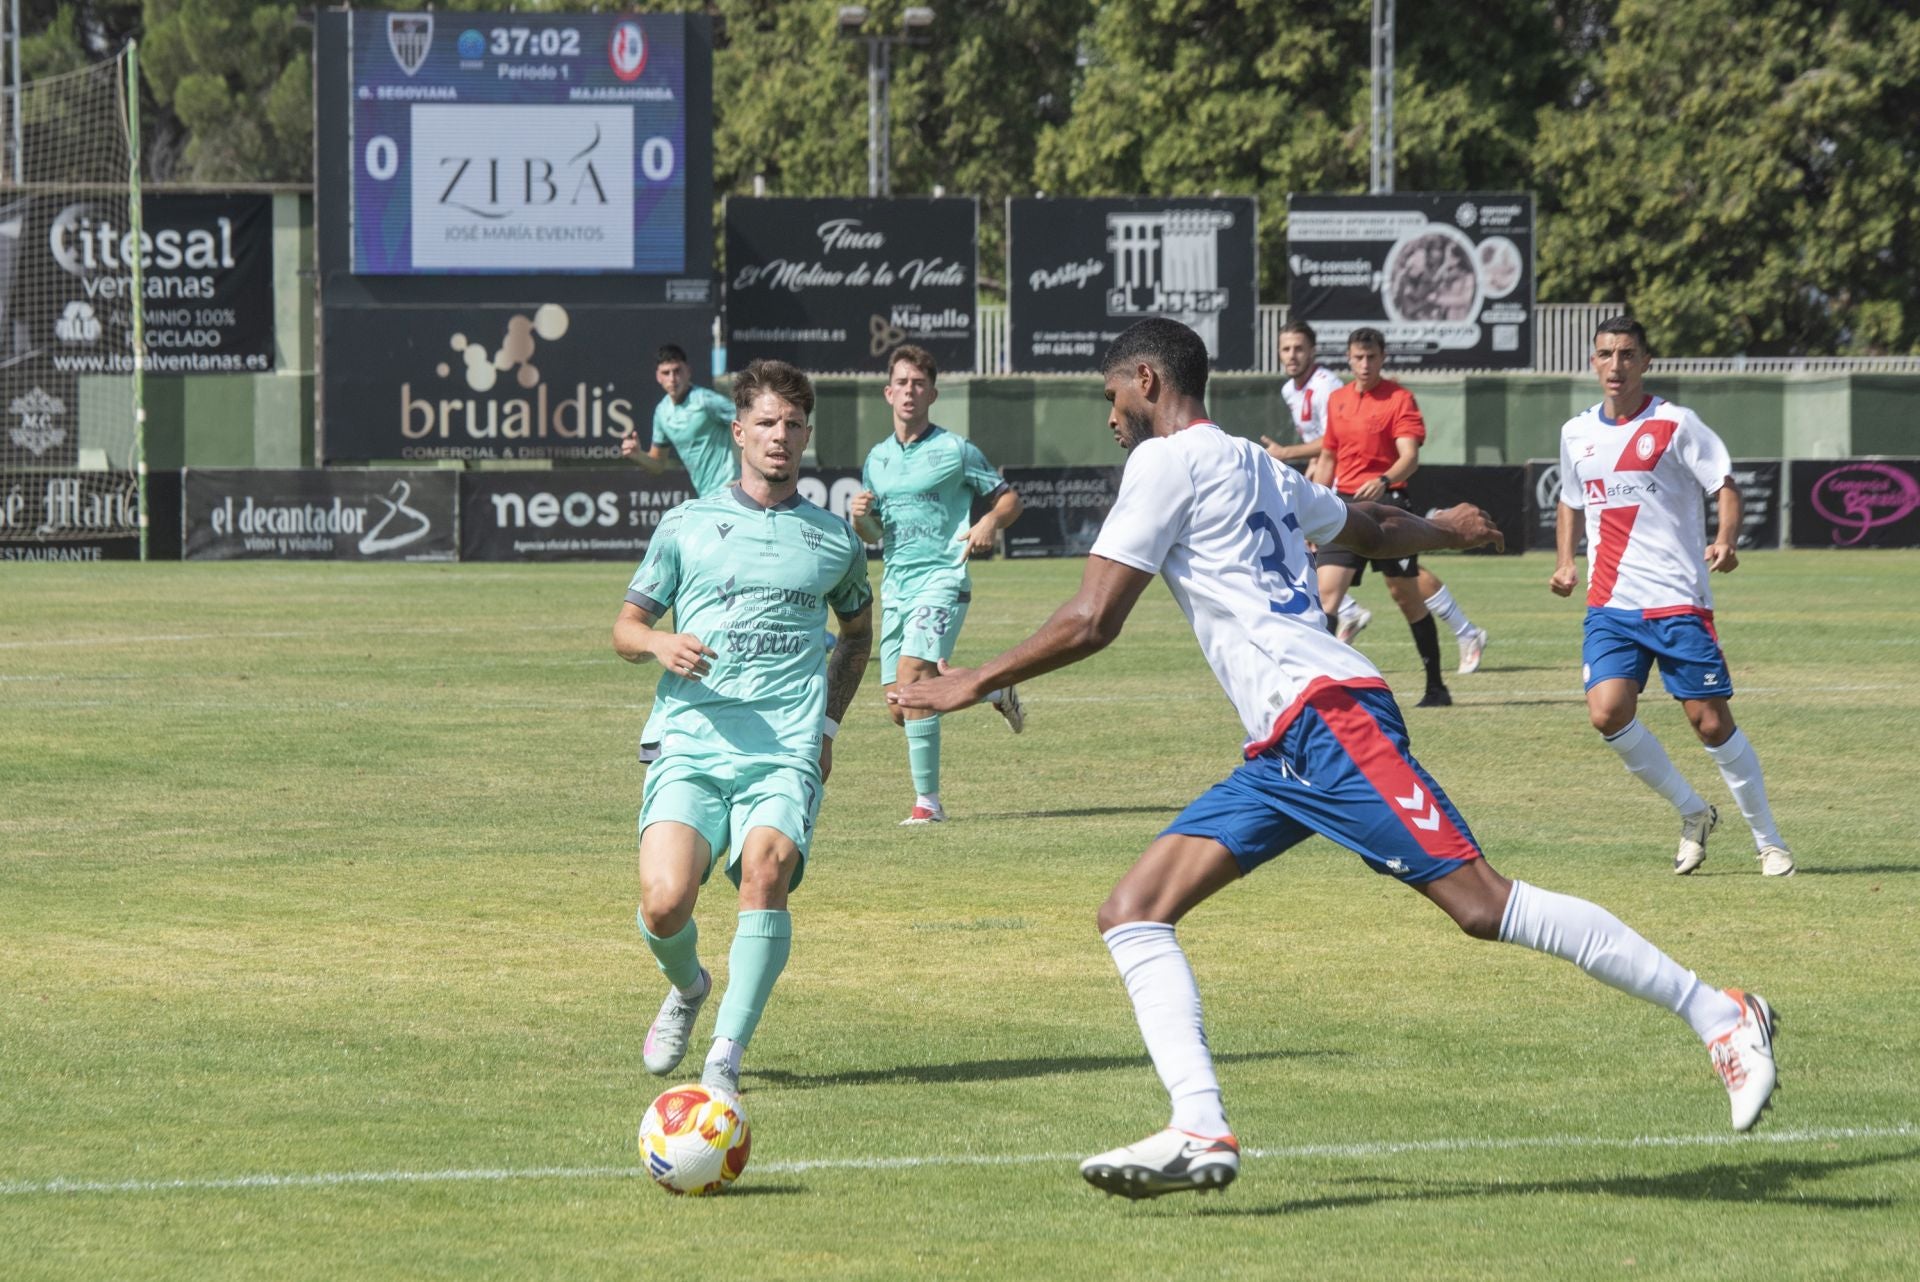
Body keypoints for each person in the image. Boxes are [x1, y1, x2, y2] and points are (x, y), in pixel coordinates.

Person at [892, 318, 1778, 1200]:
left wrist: (966, 682)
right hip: (1286, 744)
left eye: (1114, 394)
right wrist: (1444, 529)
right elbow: (1365, 522)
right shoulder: (1249, 459)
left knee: (1480, 904)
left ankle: (1720, 1012)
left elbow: (1094, 618)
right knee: (1133, 910)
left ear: (1149, 381)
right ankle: (1198, 1124)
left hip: (1331, 719)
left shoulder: (1162, 462)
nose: (1111, 415)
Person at [613, 359, 875, 1099]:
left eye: (793, 425)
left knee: (767, 872)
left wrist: (824, 725)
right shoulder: (687, 525)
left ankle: (725, 1058)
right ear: (738, 432)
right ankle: (690, 986)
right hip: (692, 740)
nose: (780, 437)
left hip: (784, 749)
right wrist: (661, 643)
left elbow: (858, 633)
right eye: (766, 422)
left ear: (807, 437)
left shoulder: (833, 540)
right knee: (665, 902)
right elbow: (626, 629)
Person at [1551, 317, 1794, 877]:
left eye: (1627, 354)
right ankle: (1693, 812)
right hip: (1610, 605)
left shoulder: (1676, 423)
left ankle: (1768, 841)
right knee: (1607, 713)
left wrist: (1726, 540)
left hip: (1677, 601)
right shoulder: (1575, 433)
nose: (1616, 365)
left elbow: (1723, 485)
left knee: (1710, 723)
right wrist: (1566, 561)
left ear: (1646, 361)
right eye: (1606, 354)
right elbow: (1570, 498)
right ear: (1593, 361)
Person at [848, 344, 1026, 825]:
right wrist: (860, 520)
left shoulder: (955, 450)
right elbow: (876, 535)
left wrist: (989, 521)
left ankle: (928, 804)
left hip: (943, 580)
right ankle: (991, 690)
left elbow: (1010, 500)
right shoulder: (877, 460)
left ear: (933, 393)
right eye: (902, 383)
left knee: (911, 681)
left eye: (919, 384)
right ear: (889, 393)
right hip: (898, 585)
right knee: (899, 707)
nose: (910, 391)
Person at [1314, 327, 1489, 705]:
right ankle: (1322, 691)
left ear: (1383, 357)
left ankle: (1436, 687)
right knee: (1327, 596)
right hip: (1344, 506)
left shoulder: (1399, 399)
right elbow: (1328, 457)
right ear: (1348, 357)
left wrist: (1383, 479)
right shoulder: (1338, 400)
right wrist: (1318, 506)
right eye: (1358, 357)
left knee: (1406, 597)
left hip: (1388, 505)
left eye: (1371, 357)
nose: (1364, 364)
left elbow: (1409, 457)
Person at [1261, 320, 1371, 643]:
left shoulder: (1327, 386)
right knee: (1303, 545)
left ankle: (1464, 628)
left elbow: (1333, 441)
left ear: (1313, 351)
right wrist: (1310, 466)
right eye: (1285, 349)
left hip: (1347, 477)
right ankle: (1344, 609)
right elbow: (1319, 443)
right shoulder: (1289, 389)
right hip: (1322, 474)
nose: (1292, 355)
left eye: (1298, 348)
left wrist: (1287, 453)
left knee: (1400, 574)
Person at [622, 344, 739, 498]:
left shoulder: (706, 400)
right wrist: (638, 455)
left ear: (688, 371)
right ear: (658, 377)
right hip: (706, 496)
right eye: (666, 373)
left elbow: (751, 423)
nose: (672, 379)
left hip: (732, 490)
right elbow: (658, 465)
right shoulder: (661, 412)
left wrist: (749, 477)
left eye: (677, 371)